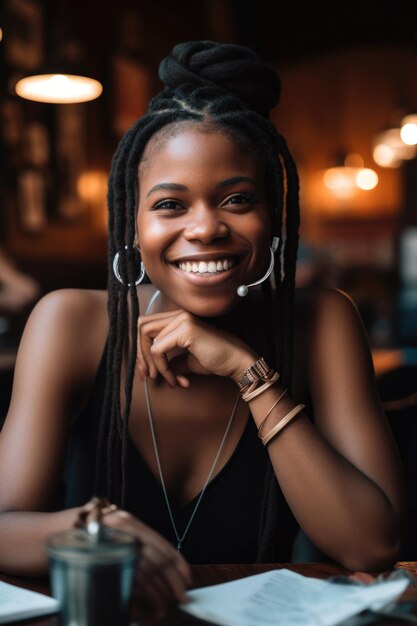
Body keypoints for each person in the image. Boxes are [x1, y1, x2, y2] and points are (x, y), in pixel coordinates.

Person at [0, 40, 405, 615]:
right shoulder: (70, 321)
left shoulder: (322, 320)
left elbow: (372, 544)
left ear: (272, 217)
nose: (206, 228)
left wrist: (248, 370)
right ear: (133, 225)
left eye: (237, 199)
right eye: (170, 205)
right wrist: (92, 530)